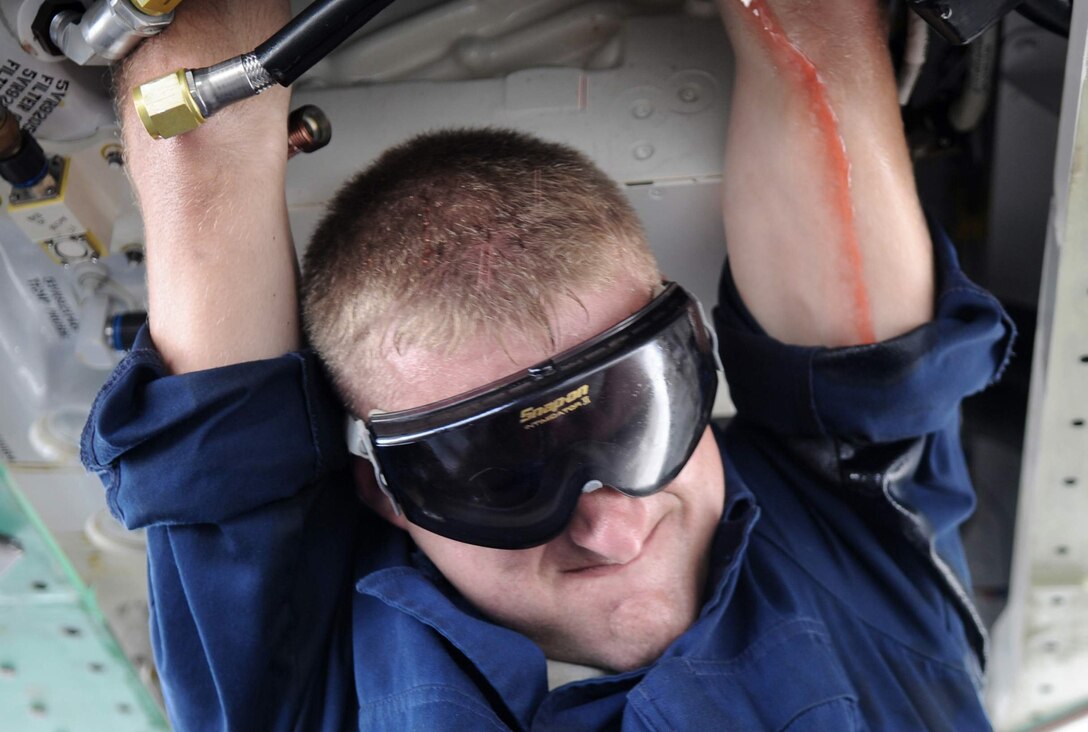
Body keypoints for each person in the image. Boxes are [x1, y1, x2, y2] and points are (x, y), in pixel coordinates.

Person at [81, 0, 1015, 729]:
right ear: (384, 490)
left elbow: (204, 147)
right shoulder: (875, 561)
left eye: (635, 421)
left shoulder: (290, 703)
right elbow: (819, 59)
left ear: (695, 363)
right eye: (506, 481)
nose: (611, 533)